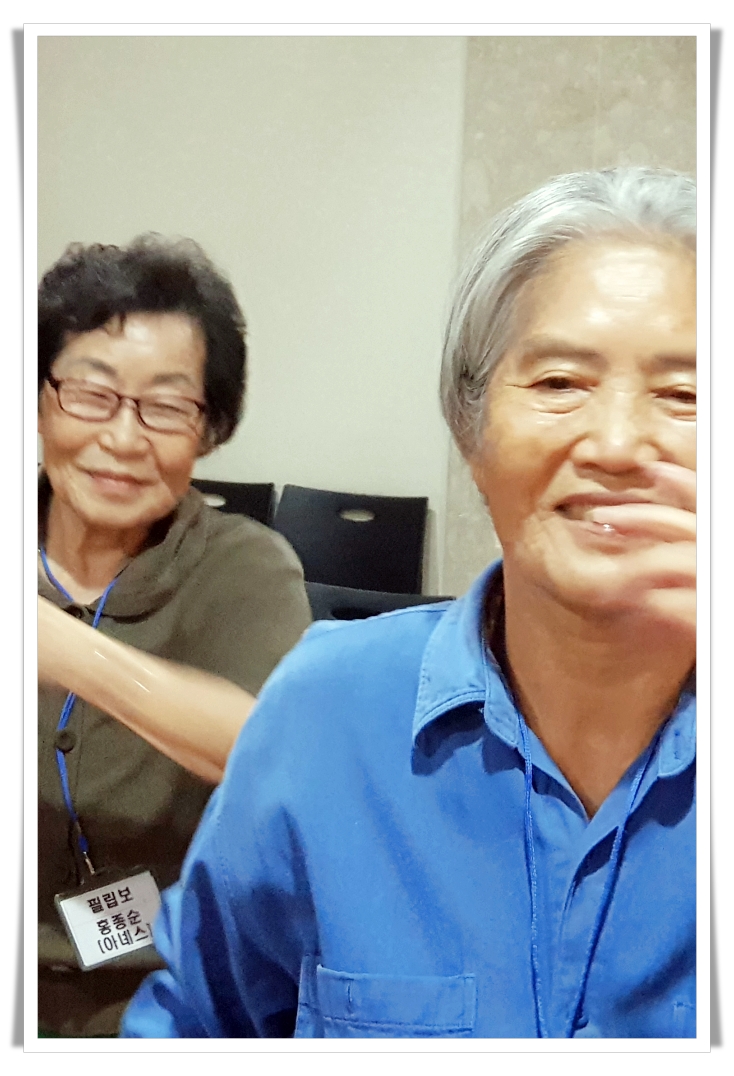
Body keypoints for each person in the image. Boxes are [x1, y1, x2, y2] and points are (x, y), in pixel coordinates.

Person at [121, 167, 697, 1039]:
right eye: (558, 383)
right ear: (472, 430)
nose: (617, 444)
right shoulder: (329, 709)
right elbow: (197, 1025)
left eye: (687, 395)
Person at [37, 235, 312, 1037]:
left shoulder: (244, 566)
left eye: (165, 407)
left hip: (166, 999)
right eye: (91, 394)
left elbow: (268, 750)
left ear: (209, 429)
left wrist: (60, 649)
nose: (125, 439)